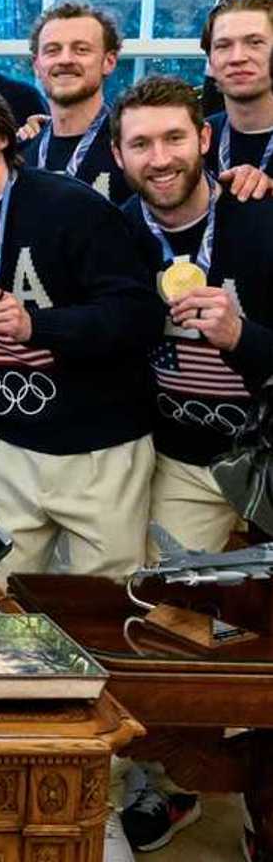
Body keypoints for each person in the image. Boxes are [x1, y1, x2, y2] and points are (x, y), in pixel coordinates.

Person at [0, 78, 161, 585]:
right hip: (6, 440)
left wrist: (37, 325)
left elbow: (139, 315)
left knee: (103, 606)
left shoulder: (70, 207)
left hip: (97, 447)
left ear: (3, 136)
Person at [113, 75, 273, 555]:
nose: (160, 159)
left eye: (174, 138)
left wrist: (241, 335)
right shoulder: (114, 234)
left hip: (267, 447)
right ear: (119, 156)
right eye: (140, 144)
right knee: (166, 602)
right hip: (180, 460)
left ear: (204, 139)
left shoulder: (261, 215)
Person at [21, 1, 130, 202]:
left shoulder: (130, 147)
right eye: (52, 50)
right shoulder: (20, 156)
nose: (65, 60)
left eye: (81, 49)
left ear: (109, 62)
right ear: (37, 65)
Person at [203, 0, 273, 182]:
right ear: (210, 60)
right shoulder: (194, 142)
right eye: (223, 46)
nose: (237, 58)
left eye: (255, 43)